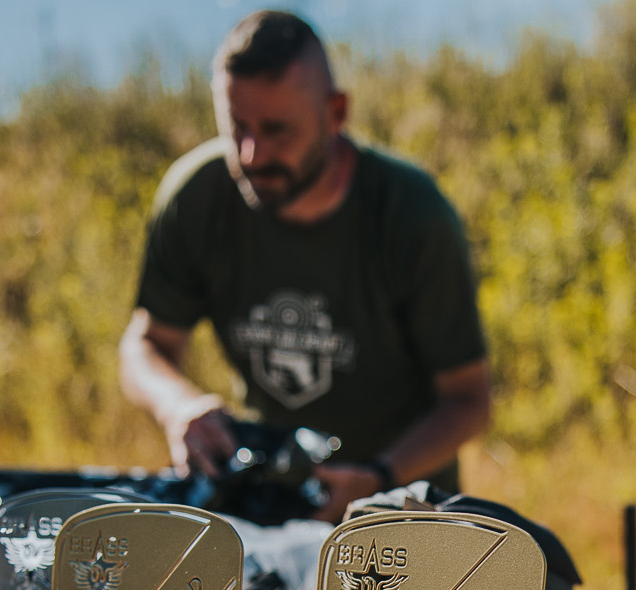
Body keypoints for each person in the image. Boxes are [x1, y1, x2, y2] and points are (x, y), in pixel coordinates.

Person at [120, 10, 490, 520]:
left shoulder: (410, 214)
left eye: (277, 131)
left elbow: (468, 401)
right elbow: (144, 347)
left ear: (335, 113)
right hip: (268, 507)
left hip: (406, 513)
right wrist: (179, 405)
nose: (251, 154)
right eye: (236, 128)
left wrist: (378, 479)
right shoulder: (198, 199)